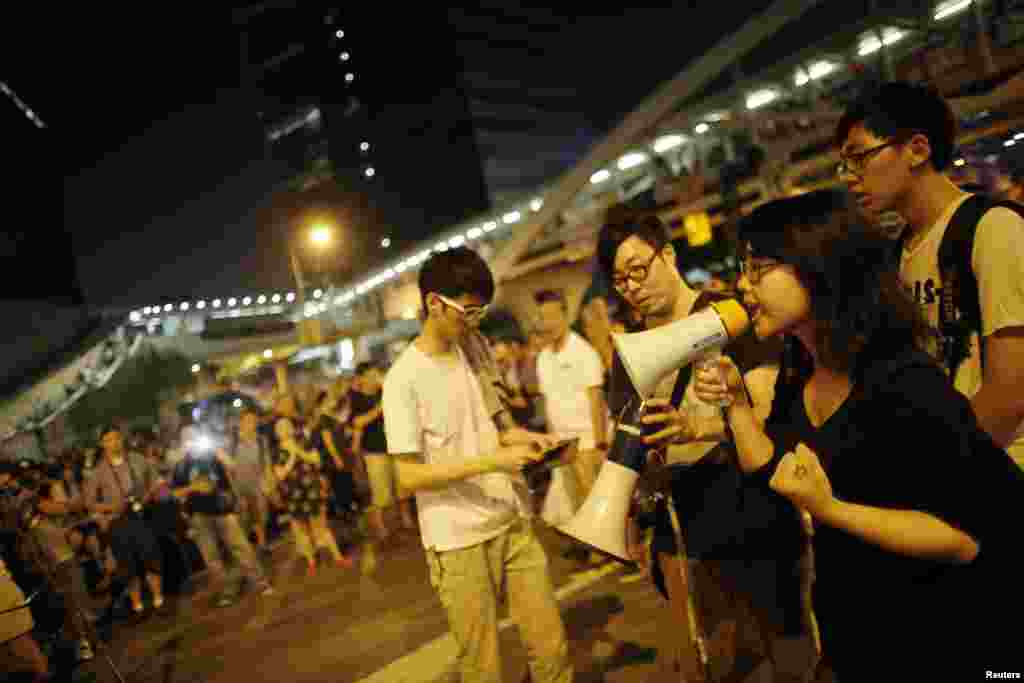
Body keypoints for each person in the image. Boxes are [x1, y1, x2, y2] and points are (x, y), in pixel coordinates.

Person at [695, 190, 1023, 679]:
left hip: (946, 635)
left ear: (819, 265)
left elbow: (965, 540)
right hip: (861, 628)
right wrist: (736, 407)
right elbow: (779, 473)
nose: (742, 285)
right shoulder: (800, 369)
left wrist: (830, 510)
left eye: (759, 268)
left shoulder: (903, 382)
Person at [595, 211, 803, 682]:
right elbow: (628, 434)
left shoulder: (730, 314)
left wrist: (696, 427)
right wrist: (628, 506)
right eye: (619, 280)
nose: (631, 286)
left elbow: (769, 410)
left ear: (667, 254)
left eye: (638, 268)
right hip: (681, 525)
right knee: (708, 656)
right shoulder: (628, 347)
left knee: (782, 651)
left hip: (751, 507)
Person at [383, 247, 571, 683]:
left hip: (512, 522)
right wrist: (493, 461)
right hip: (457, 541)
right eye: (468, 311)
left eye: (481, 310)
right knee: (483, 666)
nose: (476, 321)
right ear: (434, 303)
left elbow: (501, 428)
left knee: (551, 646)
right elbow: (407, 476)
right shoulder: (403, 380)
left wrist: (535, 440)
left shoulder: (475, 349)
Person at [836, 81, 1024, 469]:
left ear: (917, 149)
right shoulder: (896, 256)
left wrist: (946, 478)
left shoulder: (992, 229)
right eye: (844, 164)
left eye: (859, 157)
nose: (848, 176)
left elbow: (1011, 391)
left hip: (1003, 473)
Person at [533, 289, 609, 534]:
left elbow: (596, 398)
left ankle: (610, 557)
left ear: (565, 316)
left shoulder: (583, 352)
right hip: (561, 443)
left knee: (595, 498)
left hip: (587, 440)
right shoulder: (543, 358)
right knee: (575, 501)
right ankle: (593, 553)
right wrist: (550, 441)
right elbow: (547, 402)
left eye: (553, 316)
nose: (548, 323)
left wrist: (600, 442)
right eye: (543, 317)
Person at [170, 427, 273, 607]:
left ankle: (259, 581)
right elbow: (175, 493)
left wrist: (236, 498)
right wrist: (193, 488)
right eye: (187, 439)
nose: (192, 441)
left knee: (241, 547)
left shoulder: (213, 457)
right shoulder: (181, 466)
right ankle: (227, 591)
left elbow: (230, 474)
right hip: (199, 516)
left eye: (194, 437)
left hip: (223, 509)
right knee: (212, 558)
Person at [83, 426, 166, 618]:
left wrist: (149, 496)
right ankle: (137, 606)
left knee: (151, 556)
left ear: (122, 440)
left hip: (142, 516)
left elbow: (156, 482)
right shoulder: (98, 471)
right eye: (109, 440)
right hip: (117, 522)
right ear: (102, 444)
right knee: (127, 565)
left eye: (117, 438)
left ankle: (158, 599)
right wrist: (112, 508)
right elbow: (89, 502)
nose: (114, 443)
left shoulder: (137, 459)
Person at [271, 417, 352, 575]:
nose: (285, 430)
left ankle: (338, 556)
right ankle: (312, 561)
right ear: (277, 433)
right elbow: (280, 475)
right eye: (280, 428)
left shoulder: (303, 441)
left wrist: (298, 451)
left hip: (311, 489)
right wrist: (293, 457)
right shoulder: (276, 451)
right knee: (303, 530)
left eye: (287, 426)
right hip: (293, 493)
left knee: (321, 525)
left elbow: (316, 460)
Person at [351, 362, 416, 541]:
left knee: (403, 487)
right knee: (381, 492)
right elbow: (357, 422)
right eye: (371, 375)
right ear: (361, 378)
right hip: (374, 451)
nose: (375, 378)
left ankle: (406, 520)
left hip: (395, 445)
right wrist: (379, 409)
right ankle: (381, 528)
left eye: (376, 374)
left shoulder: (385, 392)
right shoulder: (355, 398)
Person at [229, 410, 273, 554]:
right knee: (244, 518)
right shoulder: (233, 441)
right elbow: (228, 466)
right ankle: (246, 548)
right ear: (241, 422)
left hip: (257, 482)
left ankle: (262, 545)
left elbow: (266, 462)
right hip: (239, 485)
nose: (251, 424)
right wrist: (231, 486)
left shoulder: (261, 440)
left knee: (260, 515)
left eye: (254, 421)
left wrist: (268, 480)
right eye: (248, 421)